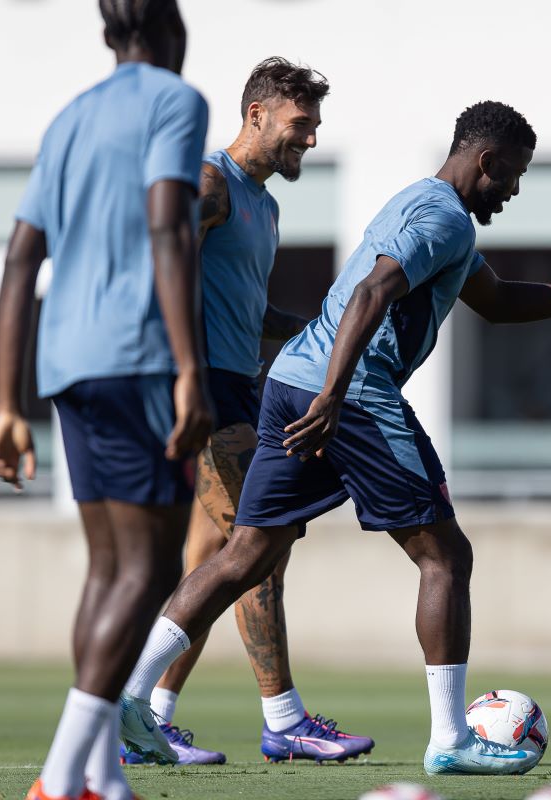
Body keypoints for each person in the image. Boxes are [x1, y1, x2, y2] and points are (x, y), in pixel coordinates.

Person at [117, 100, 551, 775]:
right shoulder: (442, 216)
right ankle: (451, 738)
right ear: (487, 161)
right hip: (349, 394)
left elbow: (499, 302)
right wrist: (334, 395)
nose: (514, 191)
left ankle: (126, 696)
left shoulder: (433, 212)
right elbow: (372, 291)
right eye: (514, 176)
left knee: (247, 552)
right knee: (446, 557)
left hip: (290, 382)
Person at [116, 55, 375, 767]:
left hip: (241, 386)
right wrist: (177, 378)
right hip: (198, 389)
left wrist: (326, 333)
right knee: (260, 544)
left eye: (316, 126)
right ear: (256, 114)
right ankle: (282, 720)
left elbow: (248, 310)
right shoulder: (209, 183)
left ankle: (153, 716)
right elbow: (157, 262)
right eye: (301, 123)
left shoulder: (265, 203)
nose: (312, 139)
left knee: (217, 555)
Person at [0, 1, 213, 798]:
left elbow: (19, 260)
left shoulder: (69, 117)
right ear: (169, 29)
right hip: (138, 359)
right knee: (147, 571)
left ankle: (93, 777)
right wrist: (191, 366)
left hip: (66, 366)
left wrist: (6, 403)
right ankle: (60, 778)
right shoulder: (175, 101)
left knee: (108, 569)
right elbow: (167, 228)